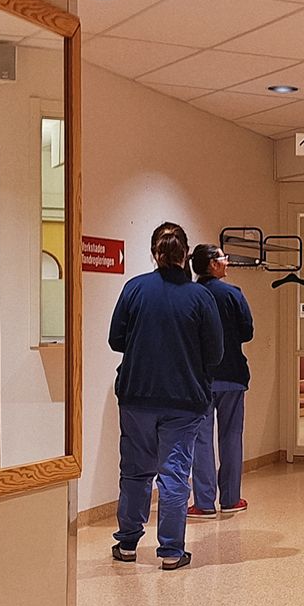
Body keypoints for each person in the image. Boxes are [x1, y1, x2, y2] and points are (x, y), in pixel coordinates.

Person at [108, 222, 222, 570]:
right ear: (185, 254)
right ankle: (171, 551)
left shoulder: (134, 289)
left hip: (137, 396)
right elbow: (215, 353)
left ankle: (128, 543)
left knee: (135, 471)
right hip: (184, 399)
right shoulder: (200, 297)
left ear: (153, 253)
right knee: (174, 474)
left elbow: (116, 340)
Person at [187, 243, 253, 520]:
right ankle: (230, 498)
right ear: (213, 264)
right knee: (231, 437)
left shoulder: (190, 294)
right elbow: (247, 332)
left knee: (201, 440)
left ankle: (203, 502)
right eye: (224, 258)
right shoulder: (233, 294)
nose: (227, 262)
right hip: (232, 375)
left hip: (199, 378)